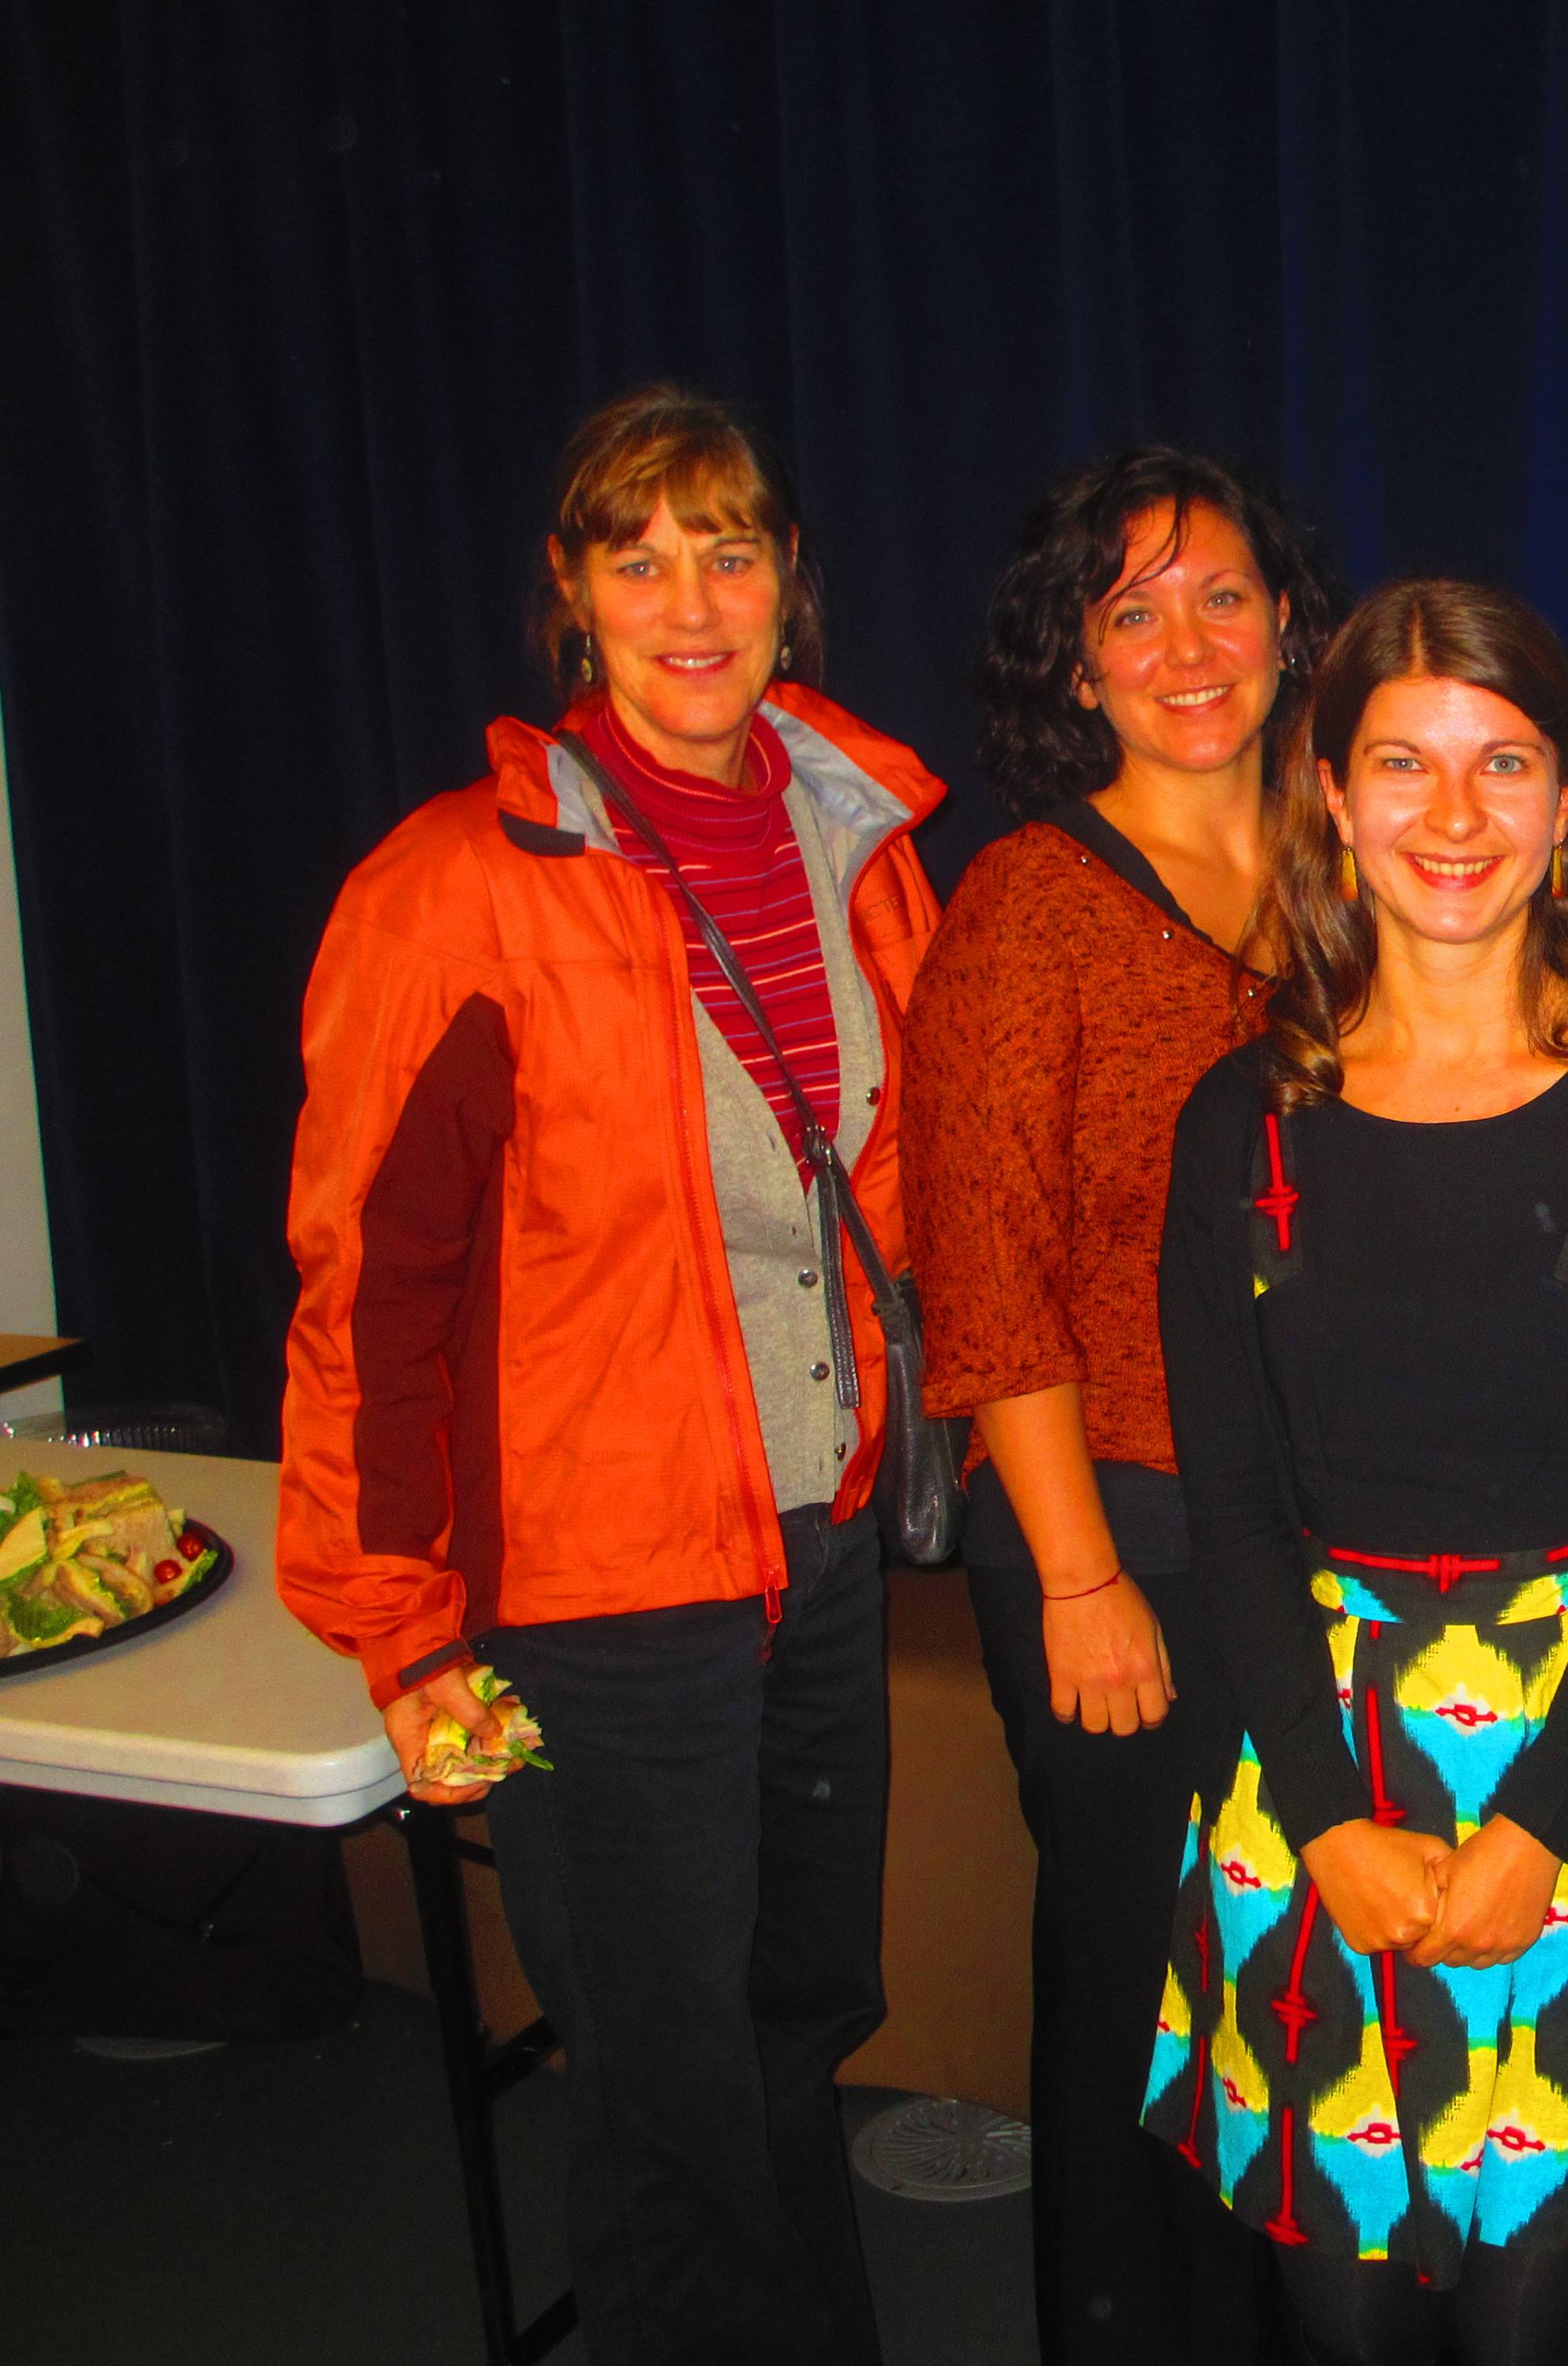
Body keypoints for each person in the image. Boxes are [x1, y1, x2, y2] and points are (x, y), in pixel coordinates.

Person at [278, 383, 944, 2366]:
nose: (689, 599)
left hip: (810, 1541)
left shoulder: (856, 840)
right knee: (663, 2083)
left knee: (794, 2016)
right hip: (592, 1588)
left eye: (728, 550)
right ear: (568, 591)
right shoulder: (456, 887)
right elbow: (370, 1290)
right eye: (638, 555)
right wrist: (403, 1635)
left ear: (789, 583)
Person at [1141, 579, 1568, 2366]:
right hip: (1308, 1770)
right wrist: (1338, 1824)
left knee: (1527, 2340)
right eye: (1400, 765)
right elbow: (1237, 1517)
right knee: (1345, 2337)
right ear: (1328, 794)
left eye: (1501, 763)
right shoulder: (1236, 1127)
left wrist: (1529, 1832)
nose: (1450, 816)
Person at [901, 446, 1336, 2364]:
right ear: (1073, 666)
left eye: (1221, 596)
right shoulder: (1026, 904)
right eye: (1129, 609)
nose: (1186, 644)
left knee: (1294, 1988)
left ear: (1286, 625)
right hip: (1118, 1528)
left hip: (1323, 1526)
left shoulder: (1353, 873)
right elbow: (979, 1273)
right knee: (1140, 1994)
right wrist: (1078, 1580)